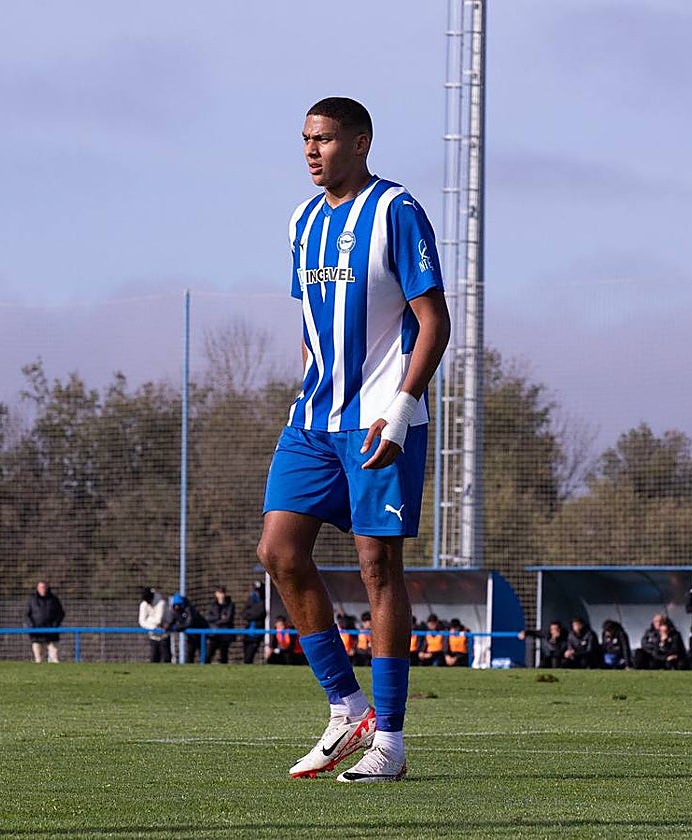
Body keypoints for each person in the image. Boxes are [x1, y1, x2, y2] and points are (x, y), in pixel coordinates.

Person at [256, 96, 450, 783]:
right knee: (279, 552)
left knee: (377, 569)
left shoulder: (397, 210)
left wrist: (401, 408)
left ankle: (389, 742)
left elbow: (435, 320)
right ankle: (346, 706)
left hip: (378, 418)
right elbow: (312, 321)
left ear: (361, 143)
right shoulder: (302, 221)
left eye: (327, 138)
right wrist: (305, 384)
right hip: (312, 419)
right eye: (306, 138)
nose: (313, 150)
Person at [26, 581, 65, 663]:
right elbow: (26, 615)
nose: (42, 589)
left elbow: (60, 613)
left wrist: (54, 626)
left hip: (52, 633)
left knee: (54, 658)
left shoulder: (54, 599)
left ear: (47, 588)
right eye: (40, 587)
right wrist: (32, 627)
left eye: (44, 587)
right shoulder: (32, 600)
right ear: (37, 588)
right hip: (36, 634)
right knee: (38, 659)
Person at [164, 593, 208, 664]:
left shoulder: (189, 609)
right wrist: (168, 625)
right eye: (175, 605)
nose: (177, 607)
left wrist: (177, 628)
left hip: (200, 634)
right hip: (191, 636)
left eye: (178, 605)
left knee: (203, 655)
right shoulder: (175, 610)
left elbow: (189, 623)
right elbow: (172, 620)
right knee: (190, 655)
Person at [203, 586, 236, 664]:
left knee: (224, 655)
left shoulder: (230, 605)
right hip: (214, 633)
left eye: (222, 593)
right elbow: (208, 617)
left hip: (225, 634)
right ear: (216, 594)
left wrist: (217, 621)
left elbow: (228, 618)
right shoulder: (212, 605)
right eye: (219, 593)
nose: (221, 595)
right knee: (208, 655)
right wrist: (219, 618)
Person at [138, 587, 170, 663]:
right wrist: (153, 625)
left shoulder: (161, 603)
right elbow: (142, 621)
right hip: (153, 636)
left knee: (166, 659)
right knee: (153, 659)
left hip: (164, 636)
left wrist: (149, 621)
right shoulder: (144, 604)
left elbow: (158, 620)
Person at [241, 581, 267, 664]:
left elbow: (259, 613)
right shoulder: (251, 599)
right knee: (246, 654)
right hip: (248, 631)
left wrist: (250, 613)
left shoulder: (264, 602)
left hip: (257, 632)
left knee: (250, 655)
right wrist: (250, 614)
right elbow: (244, 613)